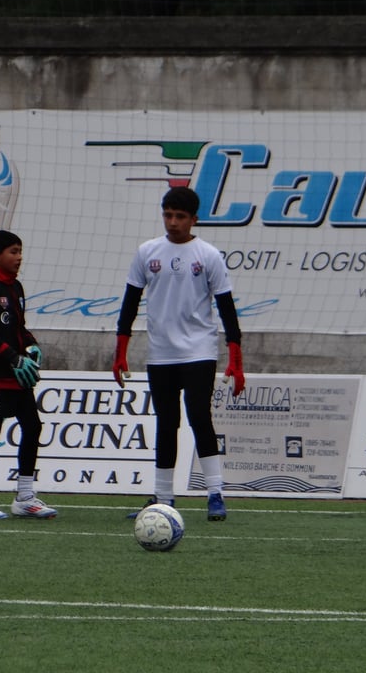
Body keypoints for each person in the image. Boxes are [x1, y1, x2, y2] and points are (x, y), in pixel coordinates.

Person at [112, 187, 245, 521]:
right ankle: (163, 498)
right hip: (161, 354)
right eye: (168, 215)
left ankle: (215, 494)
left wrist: (235, 359)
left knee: (199, 417)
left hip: (199, 351)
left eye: (180, 216)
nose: (172, 222)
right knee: (166, 422)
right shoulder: (147, 252)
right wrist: (120, 351)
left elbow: (227, 309)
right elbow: (130, 303)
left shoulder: (208, 255)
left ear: (194, 219)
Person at [0, 229, 57, 520]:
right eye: (13, 252)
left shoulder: (15, 287)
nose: (19, 257)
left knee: (32, 426)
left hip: (17, 376)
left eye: (20, 252)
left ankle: (25, 497)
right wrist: (13, 356)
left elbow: (18, 326)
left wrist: (31, 345)